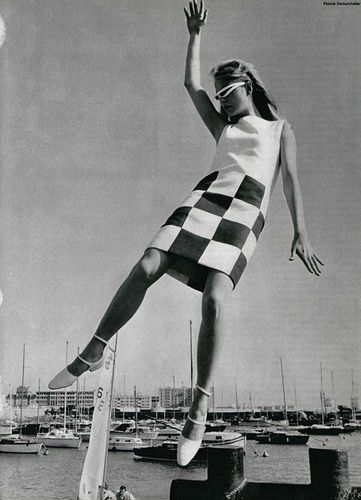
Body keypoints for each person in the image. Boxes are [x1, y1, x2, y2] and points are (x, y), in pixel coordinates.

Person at [48, 0, 323, 467]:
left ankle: (199, 405)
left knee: (214, 298)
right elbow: (190, 84)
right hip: (207, 196)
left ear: (247, 87)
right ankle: (96, 346)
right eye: (218, 96)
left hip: (246, 208)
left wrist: (301, 231)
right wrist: (194, 36)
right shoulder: (222, 127)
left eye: (227, 92)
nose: (220, 101)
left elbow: (292, 180)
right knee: (147, 264)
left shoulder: (280, 130)